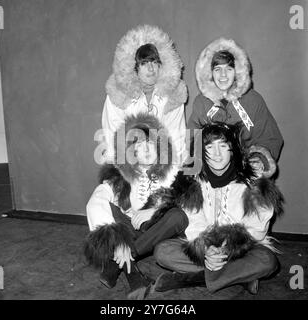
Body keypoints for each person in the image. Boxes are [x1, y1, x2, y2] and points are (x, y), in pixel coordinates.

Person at [153, 122, 284, 295]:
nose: (216, 154)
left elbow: (257, 226)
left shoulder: (253, 179)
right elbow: (194, 220)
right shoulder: (193, 180)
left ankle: (196, 279)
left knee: (267, 261)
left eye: (223, 146)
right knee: (162, 252)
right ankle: (238, 277)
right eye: (209, 146)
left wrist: (227, 249)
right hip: (207, 246)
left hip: (241, 247)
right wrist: (207, 250)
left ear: (233, 149)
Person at [84, 113, 188, 299]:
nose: (146, 150)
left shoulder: (173, 171)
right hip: (131, 229)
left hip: (159, 231)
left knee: (177, 215)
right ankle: (134, 278)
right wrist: (117, 240)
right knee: (106, 204)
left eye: (150, 144)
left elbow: (187, 203)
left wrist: (155, 210)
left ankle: (117, 265)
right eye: (139, 146)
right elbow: (98, 199)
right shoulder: (122, 175)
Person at [188, 38, 283, 178]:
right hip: (211, 173)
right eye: (217, 69)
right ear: (210, 73)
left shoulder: (253, 100)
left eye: (229, 69)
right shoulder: (201, 103)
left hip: (245, 174)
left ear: (237, 71)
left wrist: (258, 160)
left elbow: (270, 138)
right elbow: (192, 139)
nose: (223, 75)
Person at [102, 24, 187, 164]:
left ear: (162, 65)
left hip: (162, 166)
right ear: (134, 67)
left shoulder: (173, 95)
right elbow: (113, 139)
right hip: (128, 166)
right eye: (144, 63)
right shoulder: (118, 95)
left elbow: (176, 139)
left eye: (154, 61)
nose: (150, 68)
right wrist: (117, 178)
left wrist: (175, 177)